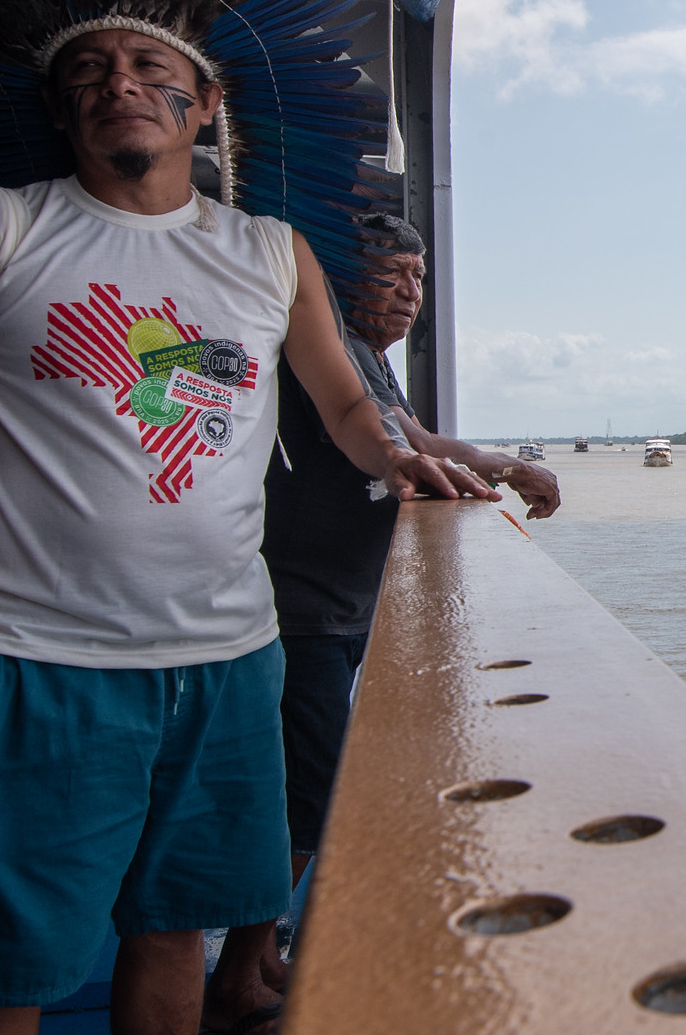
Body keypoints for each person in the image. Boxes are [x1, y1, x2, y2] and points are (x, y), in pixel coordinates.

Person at [0, 0, 497, 1035]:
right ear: (62, 110)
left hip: (226, 658)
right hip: (35, 661)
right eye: (88, 72)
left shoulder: (270, 252)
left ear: (204, 107)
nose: (118, 84)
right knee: (2, 980)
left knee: (173, 948)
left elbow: (349, 410)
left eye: (150, 68)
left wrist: (431, 462)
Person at [259, 215, 559, 887]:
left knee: (311, 787)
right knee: (311, 795)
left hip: (340, 604)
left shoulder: (366, 358)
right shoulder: (330, 350)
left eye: (417, 276)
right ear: (336, 276)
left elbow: (422, 438)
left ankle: (255, 958)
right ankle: (248, 966)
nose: (407, 291)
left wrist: (504, 466)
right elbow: (418, 447)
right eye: (388, 272)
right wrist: (505, 471)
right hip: (302, 609)